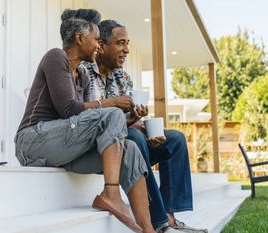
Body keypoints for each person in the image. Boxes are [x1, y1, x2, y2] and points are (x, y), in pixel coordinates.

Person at [15, 9, 155, 233]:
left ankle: (148, 229)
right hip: (32, 142)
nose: (100, 46)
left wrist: (129, 120)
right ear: (80, 38)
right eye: (97, 40)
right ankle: (111, 193)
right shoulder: (55, 57)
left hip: (65, 148)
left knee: (130, 149)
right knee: (112, 112)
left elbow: (93, 123)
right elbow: (69, 109)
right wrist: (112, 103)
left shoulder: (83, 76)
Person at [81, 19, 208, 233]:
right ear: (101, 45)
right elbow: (84, 116)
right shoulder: (84, 72)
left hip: (130, 142)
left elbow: (131, 120)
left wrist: (146, 128)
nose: (127, 50)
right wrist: (132, 126)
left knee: (175, 139)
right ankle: (158, 222)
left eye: (127, 43)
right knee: (135, 138)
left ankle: (170, 216)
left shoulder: (123, 77)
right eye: (121, 43)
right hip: (103, 148)